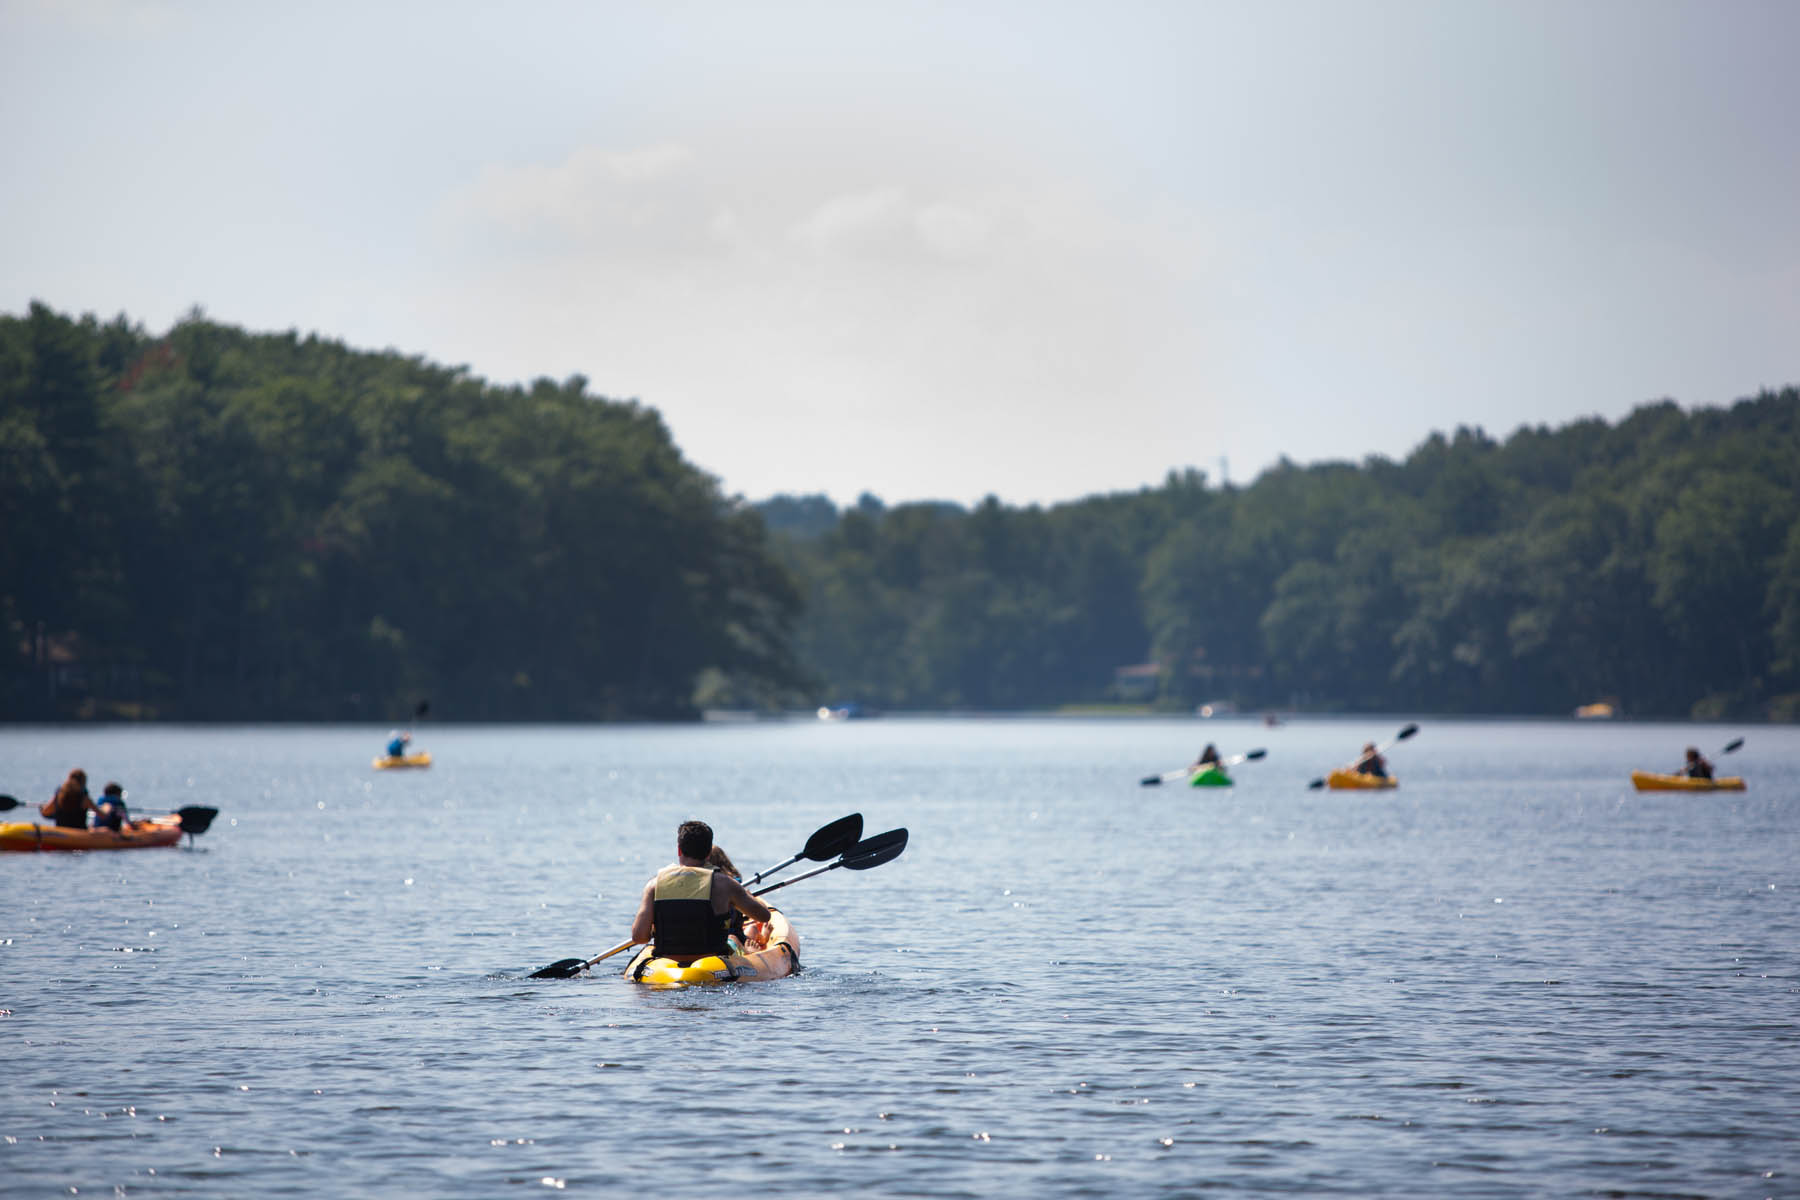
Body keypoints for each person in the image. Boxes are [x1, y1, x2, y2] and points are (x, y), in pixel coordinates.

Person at [630, 820, 772, 964]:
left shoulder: (654, 885)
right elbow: (764, 916)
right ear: (709, 853)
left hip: (667, 963)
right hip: (712, 963)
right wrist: (741, 893)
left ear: (679, 850)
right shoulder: (725, 884)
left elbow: (639, 937)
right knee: (733, 939)